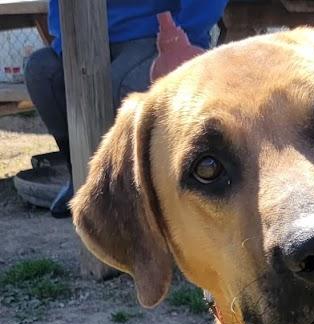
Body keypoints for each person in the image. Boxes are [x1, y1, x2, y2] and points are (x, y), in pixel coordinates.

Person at [24, 1, 226, 217]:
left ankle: (148, 196)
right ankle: (83, 177)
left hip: (155, 33)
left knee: (118, 88)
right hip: (86, 37)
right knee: (42, 71)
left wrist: (183, 34)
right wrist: (68, 42)